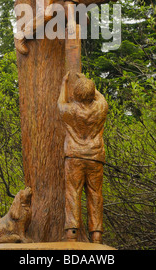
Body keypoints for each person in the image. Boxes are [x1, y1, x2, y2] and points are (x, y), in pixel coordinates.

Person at [57, 71, 108, 244]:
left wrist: (64, 83)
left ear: (75, 94)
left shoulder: (70, 110)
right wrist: (86, 81)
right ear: (93, 94)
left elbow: (60, 102)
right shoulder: (101, 108)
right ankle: (96, 235)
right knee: (95, 194)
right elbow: (100, 97)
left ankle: (71, 232)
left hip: (74, 156)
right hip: (95, 156)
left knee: (73, 192)